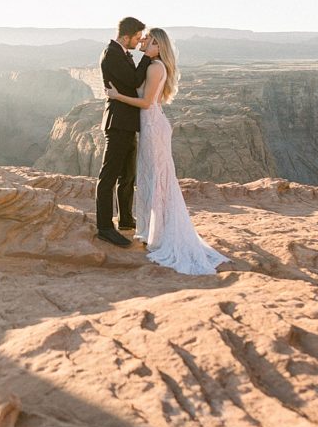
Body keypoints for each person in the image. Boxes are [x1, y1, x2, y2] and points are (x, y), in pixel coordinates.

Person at [105, 28, 230, 274]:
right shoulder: (153, 64)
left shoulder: (155, 67)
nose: (143, 41)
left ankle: (160, 234)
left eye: (148, 40)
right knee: (153, 177)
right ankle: (156, 229)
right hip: (152, 126)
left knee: (157, 179)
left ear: (158, 46)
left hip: (153, 128)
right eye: (142, 38)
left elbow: (146, 103)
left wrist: (117, 96)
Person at [95, 17, 152, 247]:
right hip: (117, 123)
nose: (138, 42)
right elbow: (134, 79)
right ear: (125, 36)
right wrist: (148, 57)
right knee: (108, 176)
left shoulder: (122, 53)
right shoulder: (112, 54)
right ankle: (105, 227)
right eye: (137, 38)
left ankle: (126, 219)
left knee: (127, 175)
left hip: (127, 123)